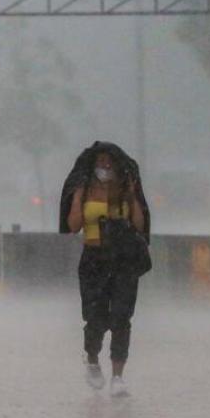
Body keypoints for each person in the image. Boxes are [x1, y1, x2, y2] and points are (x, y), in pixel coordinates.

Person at [60, 142, 150, 397]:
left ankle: (118, 377)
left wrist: (131, 198)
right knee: (96, 318)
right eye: (101, 162)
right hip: (94, 260)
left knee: (122, 318)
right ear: (93, 166)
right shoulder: (85, 190)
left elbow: (139, 224)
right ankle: (92, 358)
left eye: (110, 162)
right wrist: (77, 198)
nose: (106, 167)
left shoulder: (125, 190)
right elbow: (74, 226)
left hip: (124, 261)